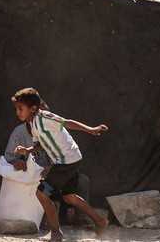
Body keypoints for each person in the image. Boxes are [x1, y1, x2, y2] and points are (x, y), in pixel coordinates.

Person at [11, 88, 109, 241]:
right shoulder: (32, 124)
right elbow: (41, 144)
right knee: (69, 197)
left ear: (33, 108)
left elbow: (66, 122)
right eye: (16, 108)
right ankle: (100, 221)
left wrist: (90, 129)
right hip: (67, 159)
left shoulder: (44, 117)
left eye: (20, 108)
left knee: (41, 193)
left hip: (66, 160)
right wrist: (27, 150)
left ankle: (56, 232)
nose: (17, 112)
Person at [4, 116, 91, 227]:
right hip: (32, 179)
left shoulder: (54, 131)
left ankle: (79, 218)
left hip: (55, 174)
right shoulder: (19, 133)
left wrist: (54, 168)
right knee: (42, 192)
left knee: (82, 181)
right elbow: (9, 157)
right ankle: (48, 224)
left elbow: (67, 156)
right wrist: (15, 162)